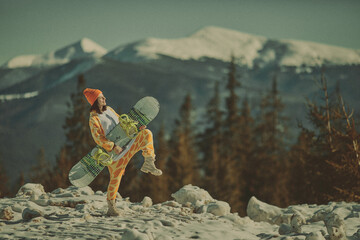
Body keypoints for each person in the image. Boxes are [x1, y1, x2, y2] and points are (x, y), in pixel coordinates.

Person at [83, 88, 162, 216]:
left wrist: (137, 127)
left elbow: (123, 123)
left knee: (146, 134)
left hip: (128, 144)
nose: (104, 99)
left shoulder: (110, 110)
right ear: (94, 101)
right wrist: (113, 146)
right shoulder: (94, 119)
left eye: (103, 97)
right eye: (101, 98)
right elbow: (98, 138)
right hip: (114, 155)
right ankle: (111, 207)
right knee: (116, 178)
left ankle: (148, 161)